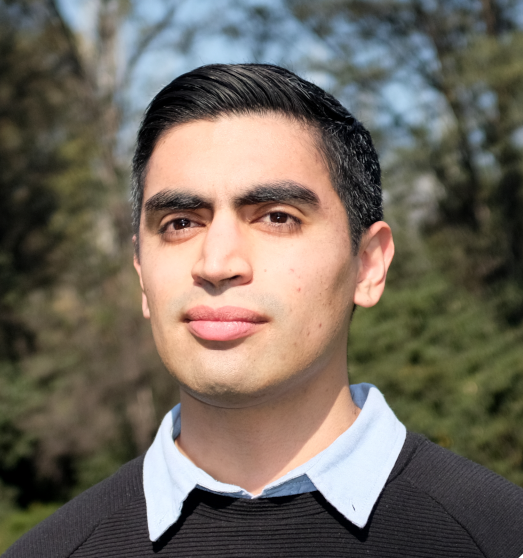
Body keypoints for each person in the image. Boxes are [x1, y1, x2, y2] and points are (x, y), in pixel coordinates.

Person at [3, 63, 523, 558]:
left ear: (368, 264)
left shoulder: (499, 536)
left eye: (277, 217)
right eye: (181, 223)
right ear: (142, 274)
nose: (216, 263)